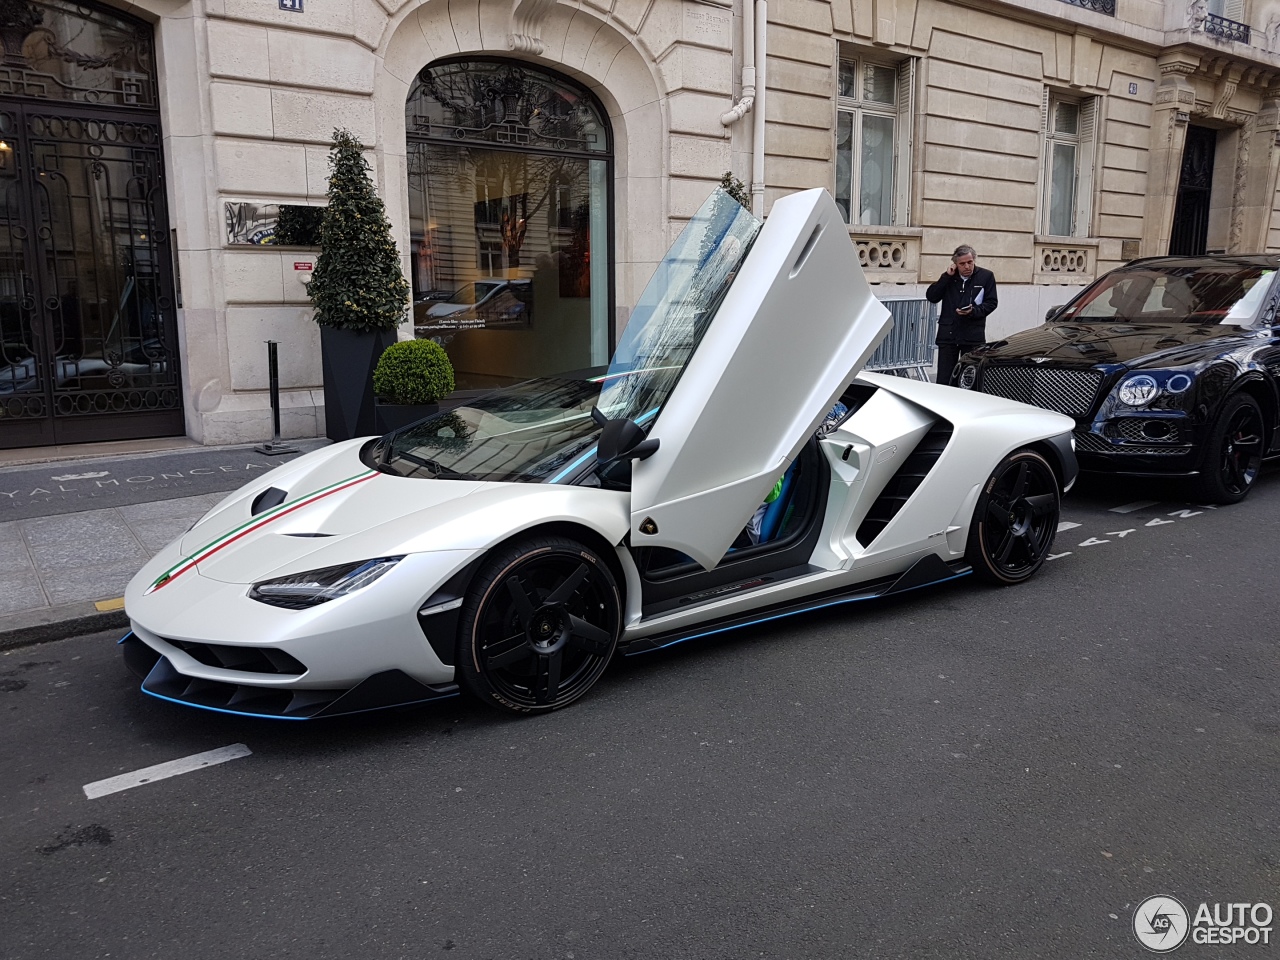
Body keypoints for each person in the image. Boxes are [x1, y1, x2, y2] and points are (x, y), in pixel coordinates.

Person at [925, 245, 998, 385]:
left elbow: (992, 303)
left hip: (972, 335)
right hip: (948, 335)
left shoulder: (986, 276)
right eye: (962, 263)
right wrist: (946, 277)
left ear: (974, 260)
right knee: (945, 379)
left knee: (970, 378)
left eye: (970, 262)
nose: (967, 266)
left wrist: (973, 311)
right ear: (955, 264)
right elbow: (932, 296)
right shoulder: (949, 277)